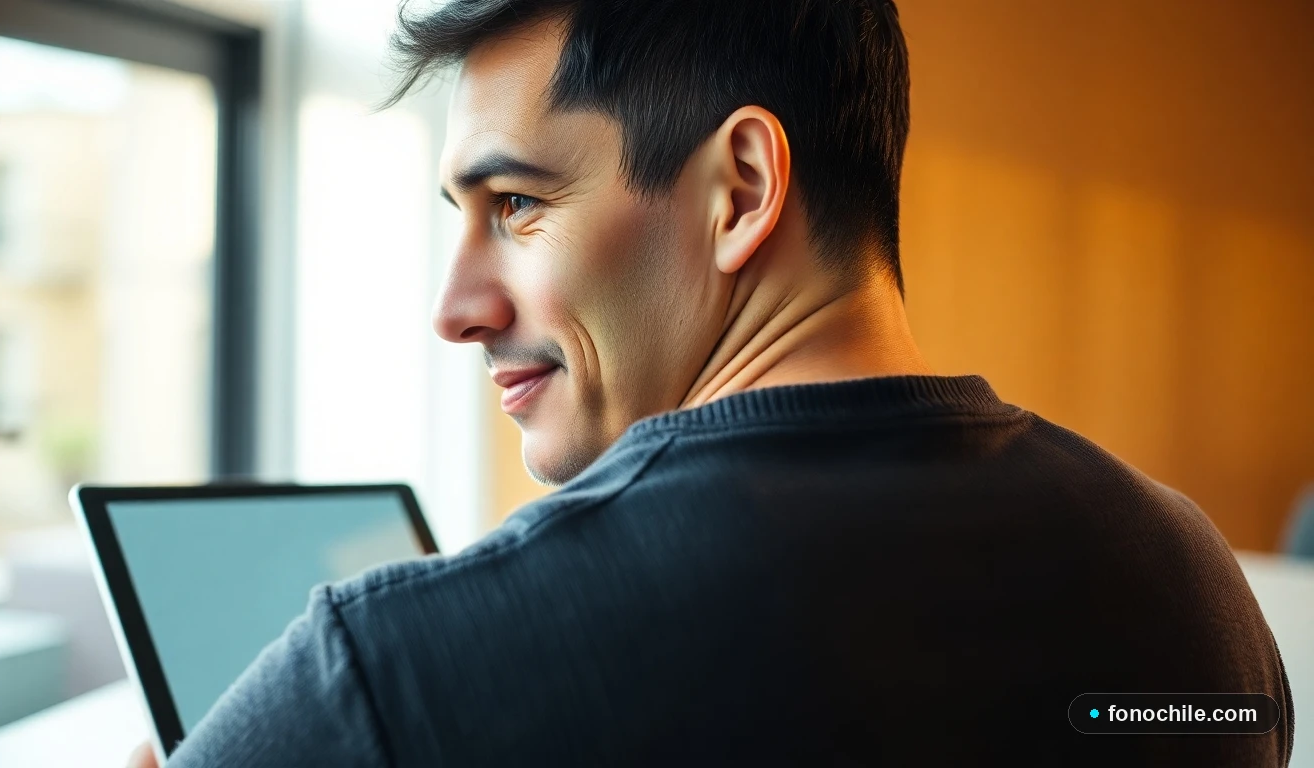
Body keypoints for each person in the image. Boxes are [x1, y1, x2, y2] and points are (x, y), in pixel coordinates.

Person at [133, 0, 1294, 765]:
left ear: (740, 189)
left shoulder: (393, 677)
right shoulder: (1203, 603)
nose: (456, 307)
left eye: (519, 206)